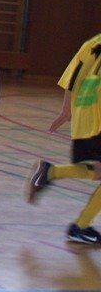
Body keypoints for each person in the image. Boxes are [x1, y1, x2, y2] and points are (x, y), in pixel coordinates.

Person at [25, 33, 101, 244]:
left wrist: (66, 110)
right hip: (98, 117)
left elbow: (73, 77)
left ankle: (49, 172)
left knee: (98, 171)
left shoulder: (92, 42)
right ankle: (81, 226)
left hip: (85, 116)